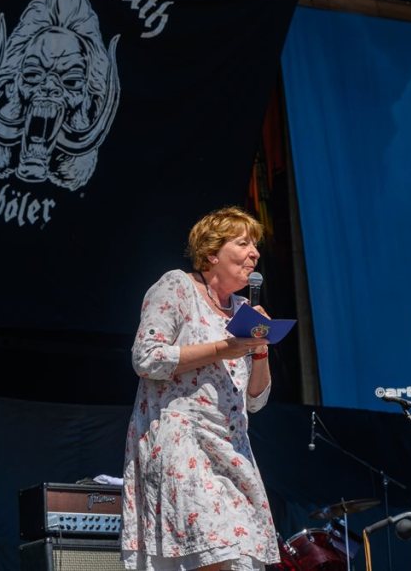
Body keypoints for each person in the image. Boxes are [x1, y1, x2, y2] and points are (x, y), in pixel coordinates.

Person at [121, 206, 280, 571]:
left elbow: (256, 400)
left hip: (232, 445)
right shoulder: (178, 286)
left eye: (255, 244)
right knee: (210, 552)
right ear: (212, 253)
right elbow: (146, 358)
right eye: (243, 243)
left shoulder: (244, 309)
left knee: (239, 556)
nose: (254, 252)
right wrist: (225, 348)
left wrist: (259, 351)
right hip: (183, 439)